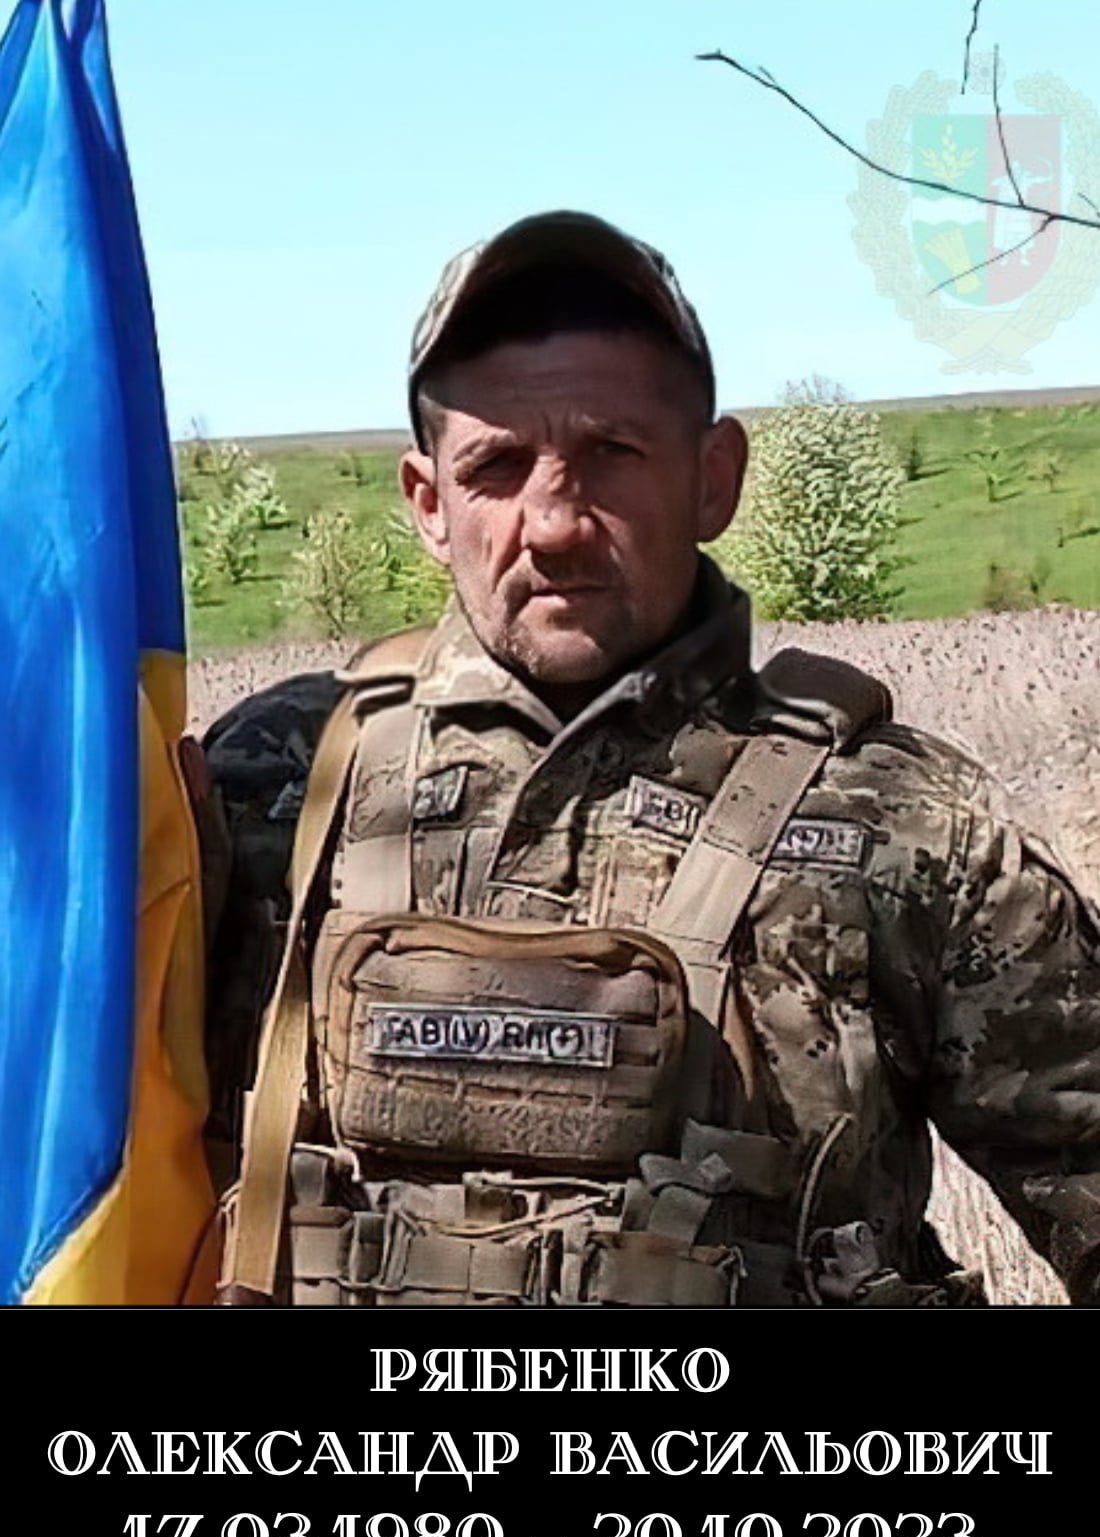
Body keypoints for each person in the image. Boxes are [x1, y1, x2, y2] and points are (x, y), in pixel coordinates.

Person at [212, 210, 1100, 1308]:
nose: (553, 523)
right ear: (428, 504)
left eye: (611, 453)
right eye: (496, 466)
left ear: (713, 477)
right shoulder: (275, 781)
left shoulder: (904, 825)